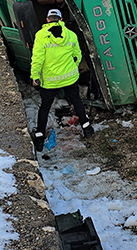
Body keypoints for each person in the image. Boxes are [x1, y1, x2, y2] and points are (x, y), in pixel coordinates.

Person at [30, 8, 93, 152]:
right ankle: (87, 128)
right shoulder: (71, 35)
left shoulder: (41, 36)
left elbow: (37, 59)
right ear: (61, 20)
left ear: (47, 20)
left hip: (50, 80)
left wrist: (35, 76)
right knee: (77, 101)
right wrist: (72, 68)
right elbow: (77, 55)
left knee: (45, 107)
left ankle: (39, 138)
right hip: (69, 77)